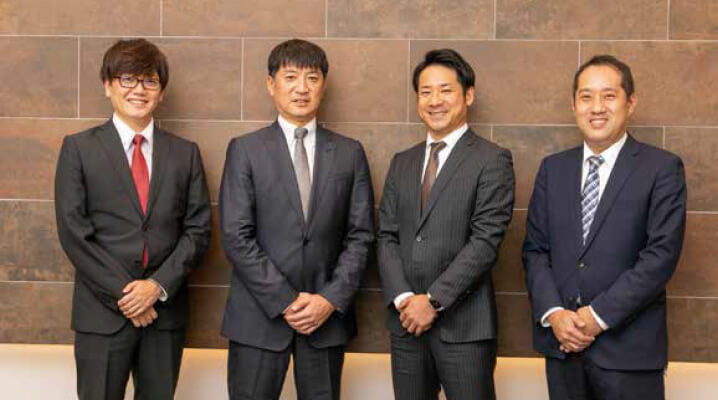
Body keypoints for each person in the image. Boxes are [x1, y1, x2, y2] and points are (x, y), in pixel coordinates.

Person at [522, 55, 687, 399]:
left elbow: (660, 257)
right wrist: (555, 315)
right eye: (586, 97)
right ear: (574, 105)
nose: (597, 107)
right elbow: (535, 251)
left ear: (631, 103)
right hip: (563, 349)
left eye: (609, 96)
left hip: (630, 355)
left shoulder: (662, 168)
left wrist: (596, 317)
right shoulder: (553, 169)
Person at [54, 38, 211, 399]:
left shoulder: (185, 154)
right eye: (127, 79)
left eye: (149, 81)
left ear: (161, 92)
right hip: (102, 314)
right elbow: (74, 233)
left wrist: (155, 287)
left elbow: (197, 231)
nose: (139, 90)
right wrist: (127, 296)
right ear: (107, 85)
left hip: (164, 314)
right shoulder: (79, 149)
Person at [219, 38, 374, 400]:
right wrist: (286, 300)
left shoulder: (349, 153)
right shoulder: (245, 150)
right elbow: (236, 236)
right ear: (271, 84)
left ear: (323, 85)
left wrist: (328, 300)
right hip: (258, 318)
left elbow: (361, 236)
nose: (302, 88)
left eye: (312, 78)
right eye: (290, 77)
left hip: (326, 321)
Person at [377, 48, 515, 400]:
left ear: (468, 95)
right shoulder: (402, 162)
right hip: (406, 326)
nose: (435, 100)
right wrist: (405, 299)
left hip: (465, 328)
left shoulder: (492, 160)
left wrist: (433, 300)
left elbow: (485, 243)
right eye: (426, 92)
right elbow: (387, 236)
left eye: (445, 90)